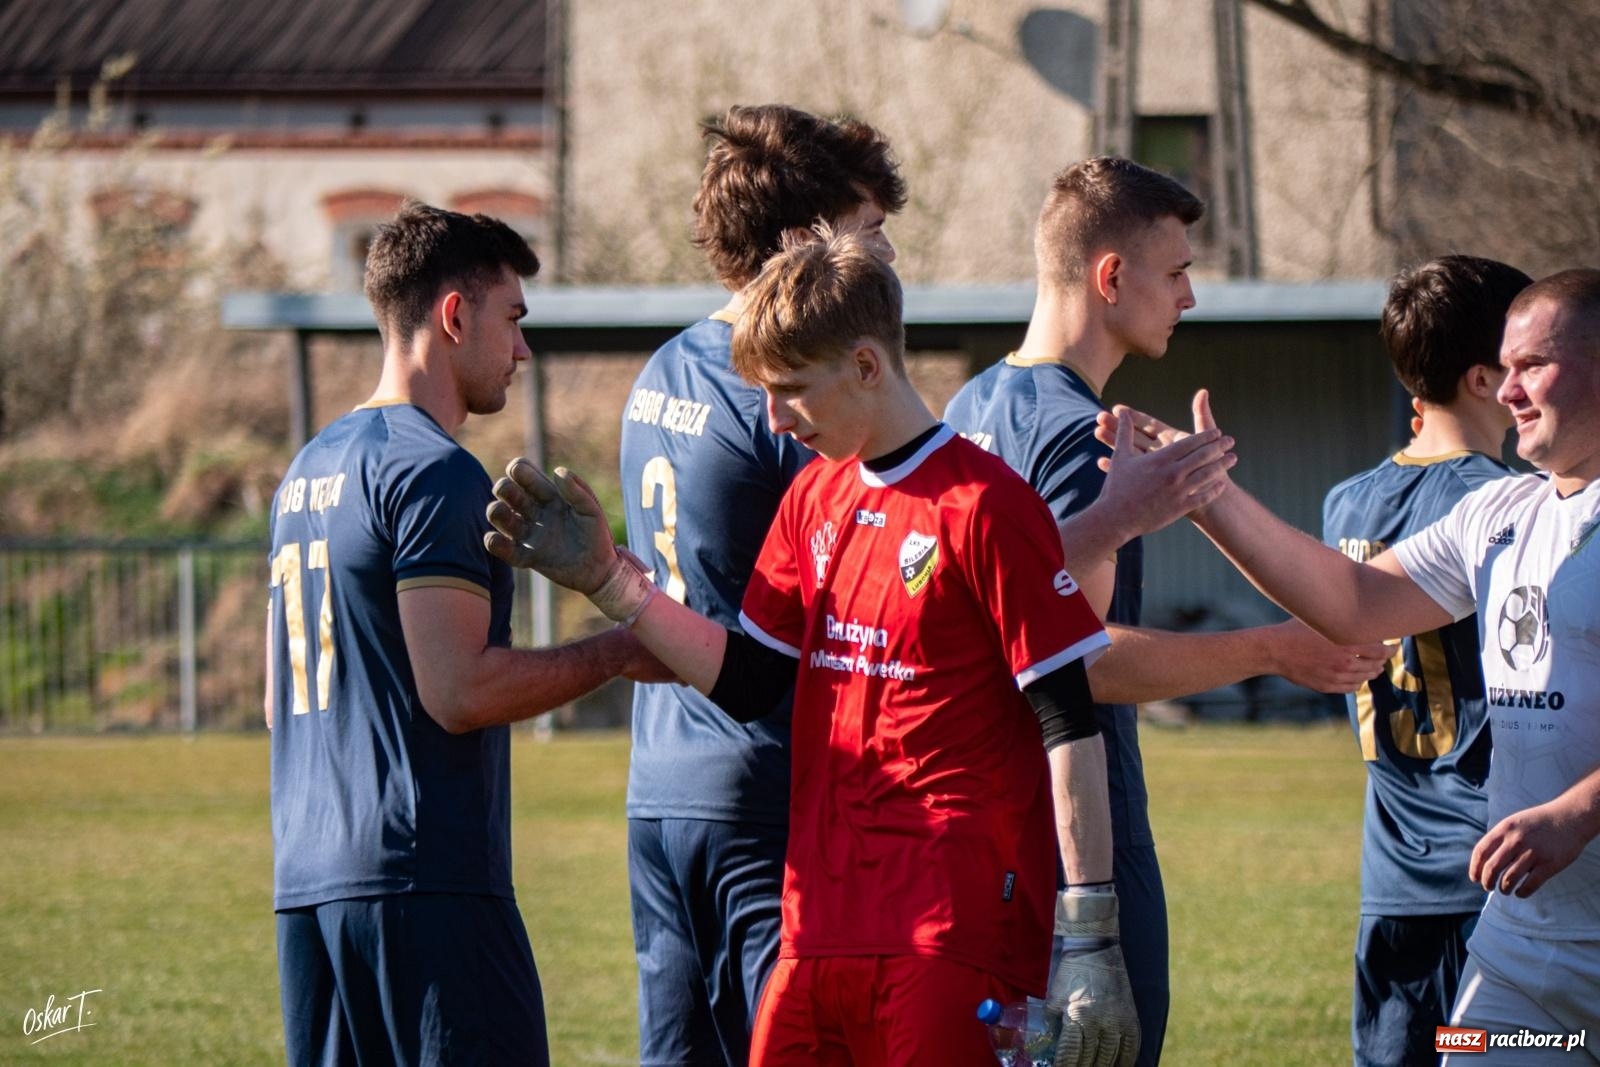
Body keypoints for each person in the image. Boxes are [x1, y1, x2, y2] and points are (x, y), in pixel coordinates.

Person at [488, 230, 1141, 1065]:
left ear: (868, 366)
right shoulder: (812, 495)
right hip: (815, 926)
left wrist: (1090, 935)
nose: (774, 418)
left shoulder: (985, 505)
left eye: (792, 389)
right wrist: (613, 582)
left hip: (949, 933)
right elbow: (755, 678)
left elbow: (1068, 718)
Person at [943, 155, 1388, 1064]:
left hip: (975, 829)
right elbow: (1087, 659)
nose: (1189, 297)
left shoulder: (967, 406)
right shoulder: (1077, 437)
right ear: (1113, 277)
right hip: (1072, 841)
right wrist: (1274, 648)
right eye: (1178, 271)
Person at [1103, 269, 1600, 1065]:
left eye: (1533, 365)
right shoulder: (1501, 511)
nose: (1507, 390)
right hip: (1516, 950)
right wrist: (1206, 495)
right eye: (1501, 368)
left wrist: (1578, 811)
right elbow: (1355, 600)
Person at [265, 201, 663, 1066]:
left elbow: (278, 701)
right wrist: (624, 648)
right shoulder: (432, 469)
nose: (523, 349)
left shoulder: (309, 468)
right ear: (454, 316)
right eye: (513, 319)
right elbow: (459, 692)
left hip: (307, 890)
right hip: (425, 884)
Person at [617, 103, 903, 1067]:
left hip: (662, 786)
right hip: (765, 787)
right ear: (803, 243)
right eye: (865, 231)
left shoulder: (665, 367)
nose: (885, 252)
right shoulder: (788, 399)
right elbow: (904, 566)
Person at [1321, 255, 1530, 1066]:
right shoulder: (1507, 505)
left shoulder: (1347, 501)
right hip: (1491, 874)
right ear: (1485, 378)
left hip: (1392, 876)